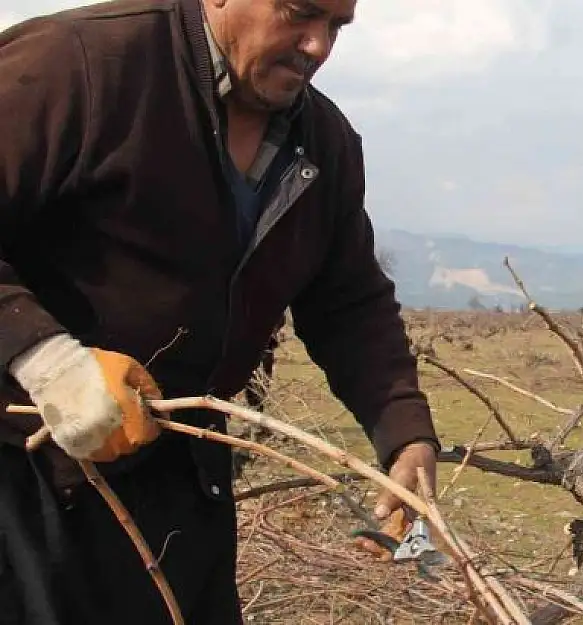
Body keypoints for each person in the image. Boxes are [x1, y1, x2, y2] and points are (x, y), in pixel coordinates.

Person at [0, 1, 441, 623]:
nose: (318, 46)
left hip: (182, 491)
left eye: (336, 26)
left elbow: (349, 302)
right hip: (24, 481)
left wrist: (404, 432)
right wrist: (47, 361)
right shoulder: (79, 67)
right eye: (299, 13)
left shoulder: (323, 145)